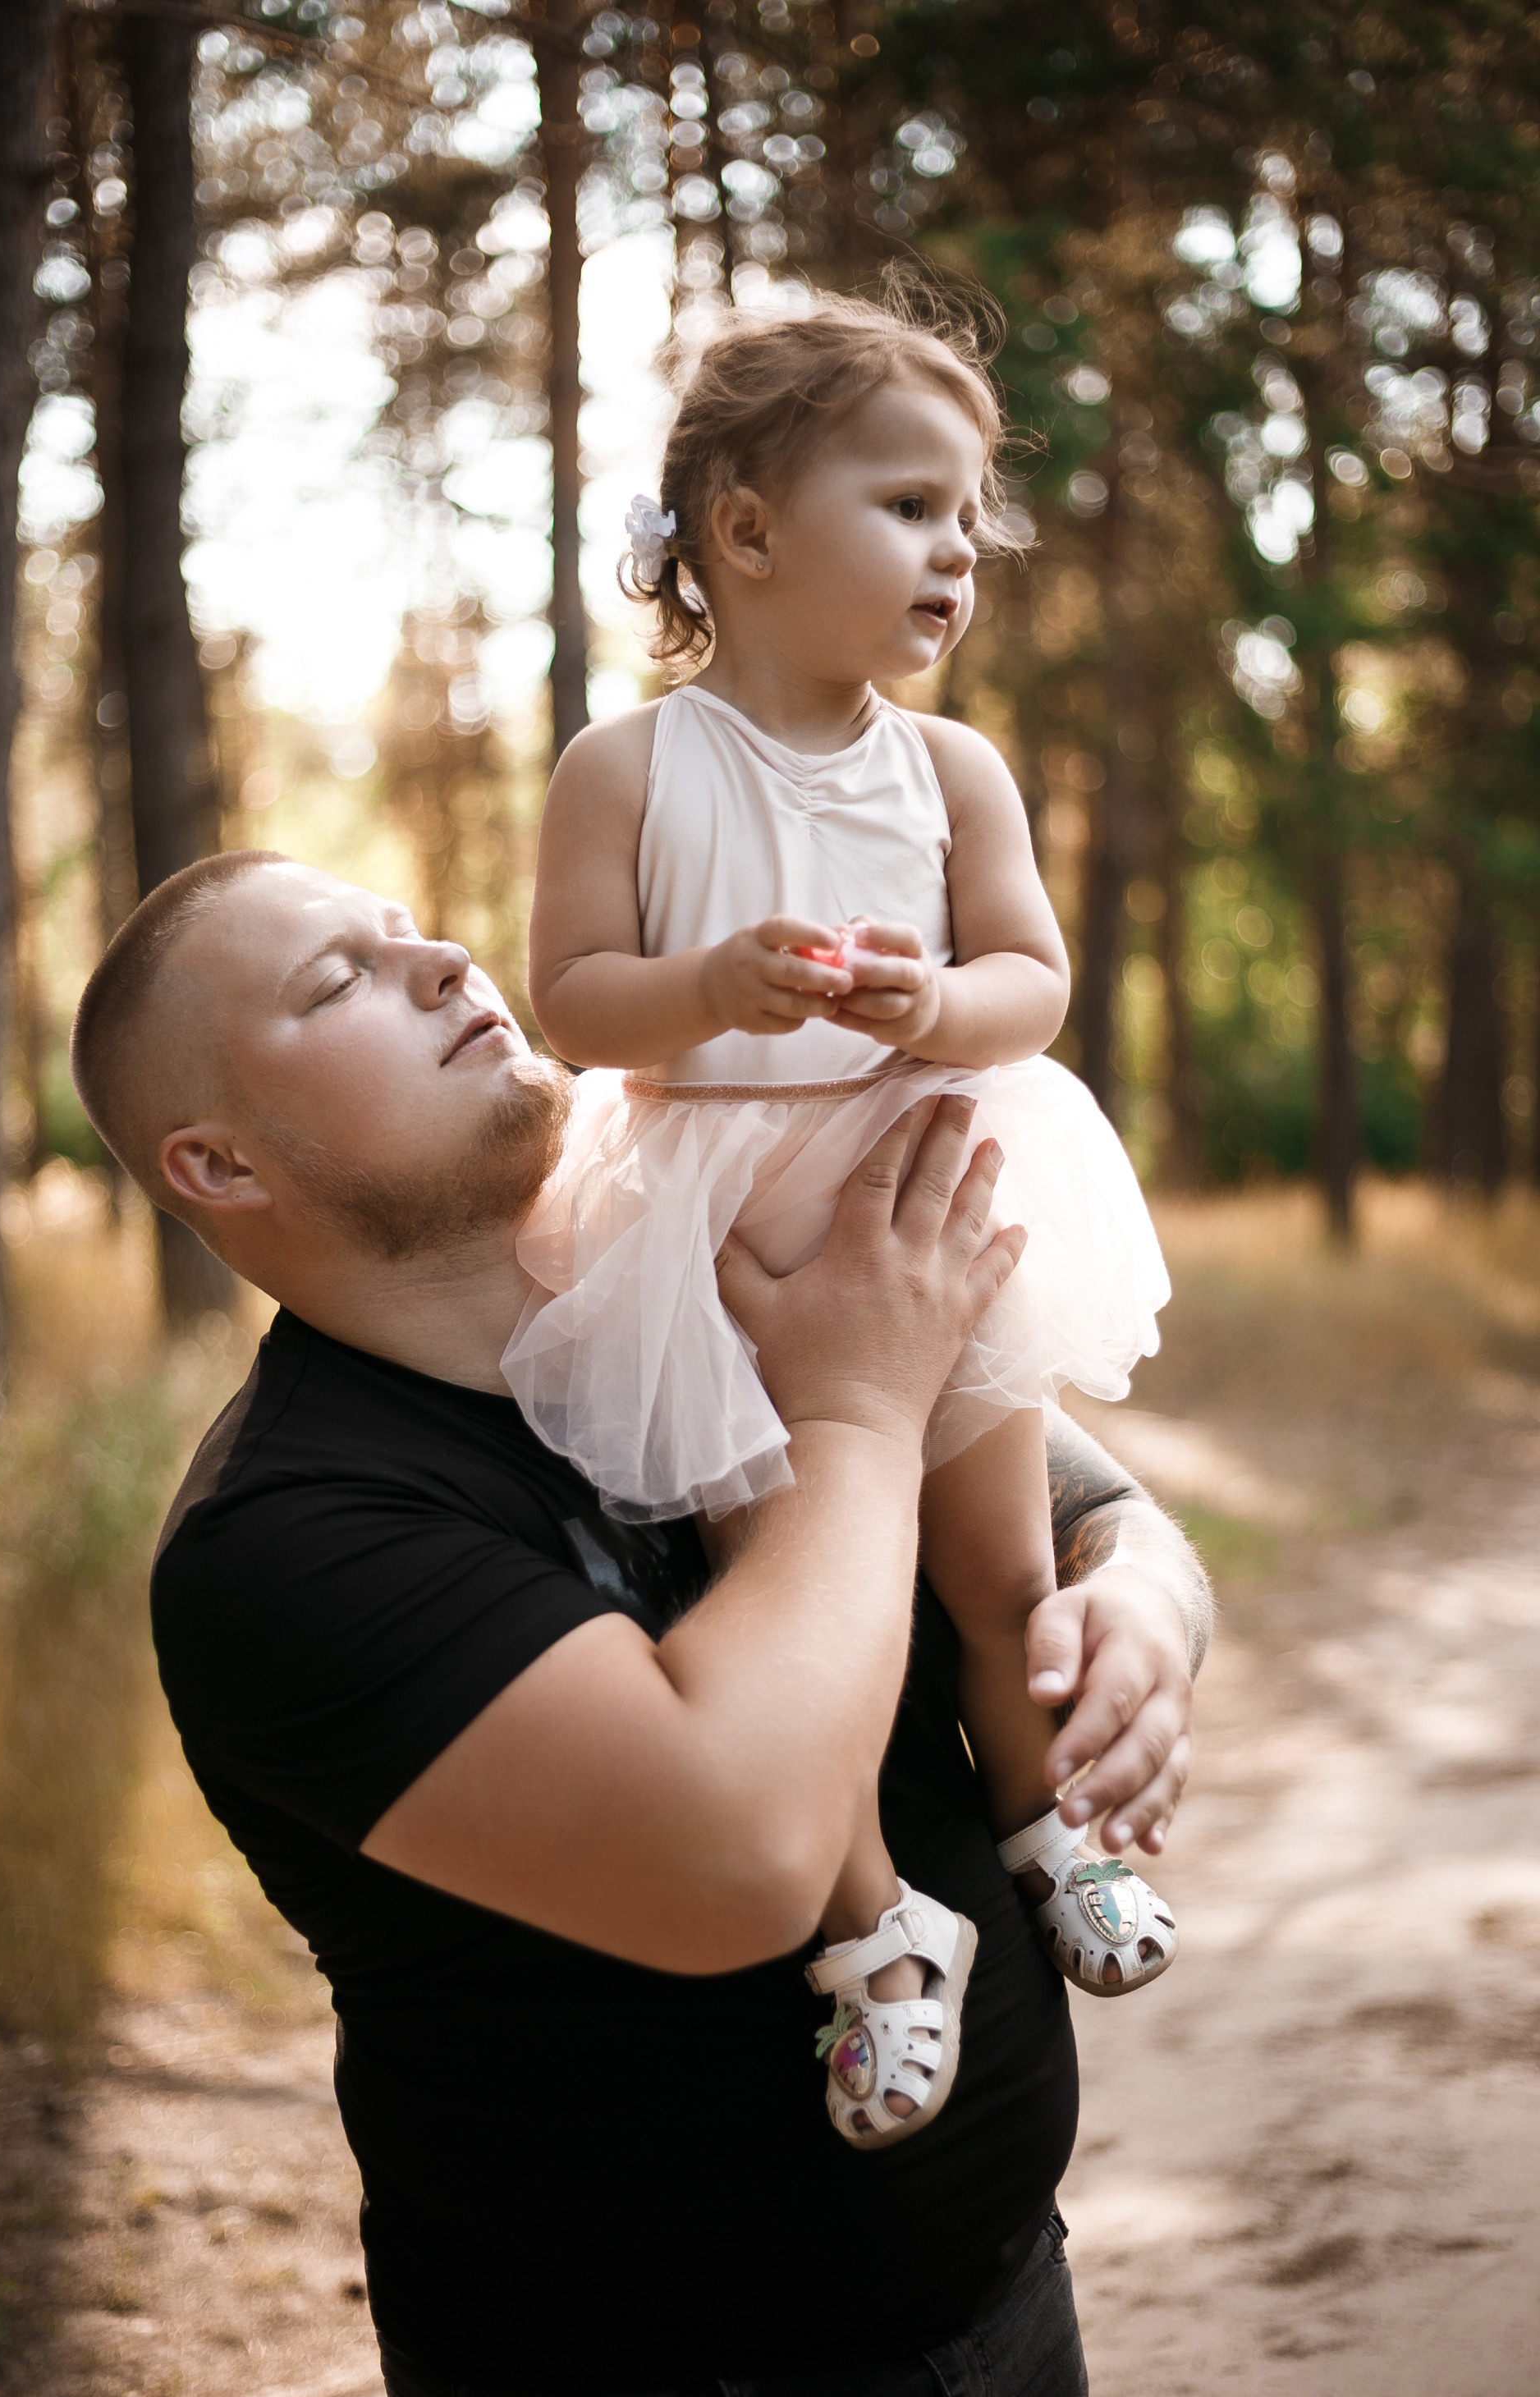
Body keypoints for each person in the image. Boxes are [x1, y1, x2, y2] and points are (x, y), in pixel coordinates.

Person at [69, 851, 1209, 2397]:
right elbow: (739, 1856)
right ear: (219, 1163)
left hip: (1012, 2315)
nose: (444, 960)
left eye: (409, 931)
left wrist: (1146, 1607)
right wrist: (853, 1409)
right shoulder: (290, 1544)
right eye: (339, 980)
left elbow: (1089, 1510)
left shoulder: (683, 1253)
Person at [512, 292, 1175, 2146]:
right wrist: (709, 984)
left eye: (969, 518)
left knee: (996, 1562)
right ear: (743, 530)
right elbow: (573, 1000)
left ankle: (1052, 1826)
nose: (958, 552)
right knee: (799, 1607)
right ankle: (877, 1928)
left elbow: (1031, 981)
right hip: (720, 1237)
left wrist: (934, 1007)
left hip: (922, 1190)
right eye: (907, 507)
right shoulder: (629, 768)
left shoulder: (948, 770)